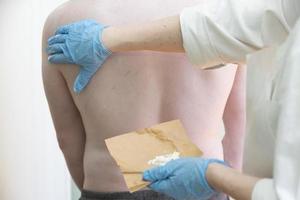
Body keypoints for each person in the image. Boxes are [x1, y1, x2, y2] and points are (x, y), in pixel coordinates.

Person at [46, 0, 300, 199]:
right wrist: (225, 182)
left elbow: (66, 138)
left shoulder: (64, 21)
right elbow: (240, 125)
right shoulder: (224, 10)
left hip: (110, 186)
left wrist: (94, 188)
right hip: (204, 187)